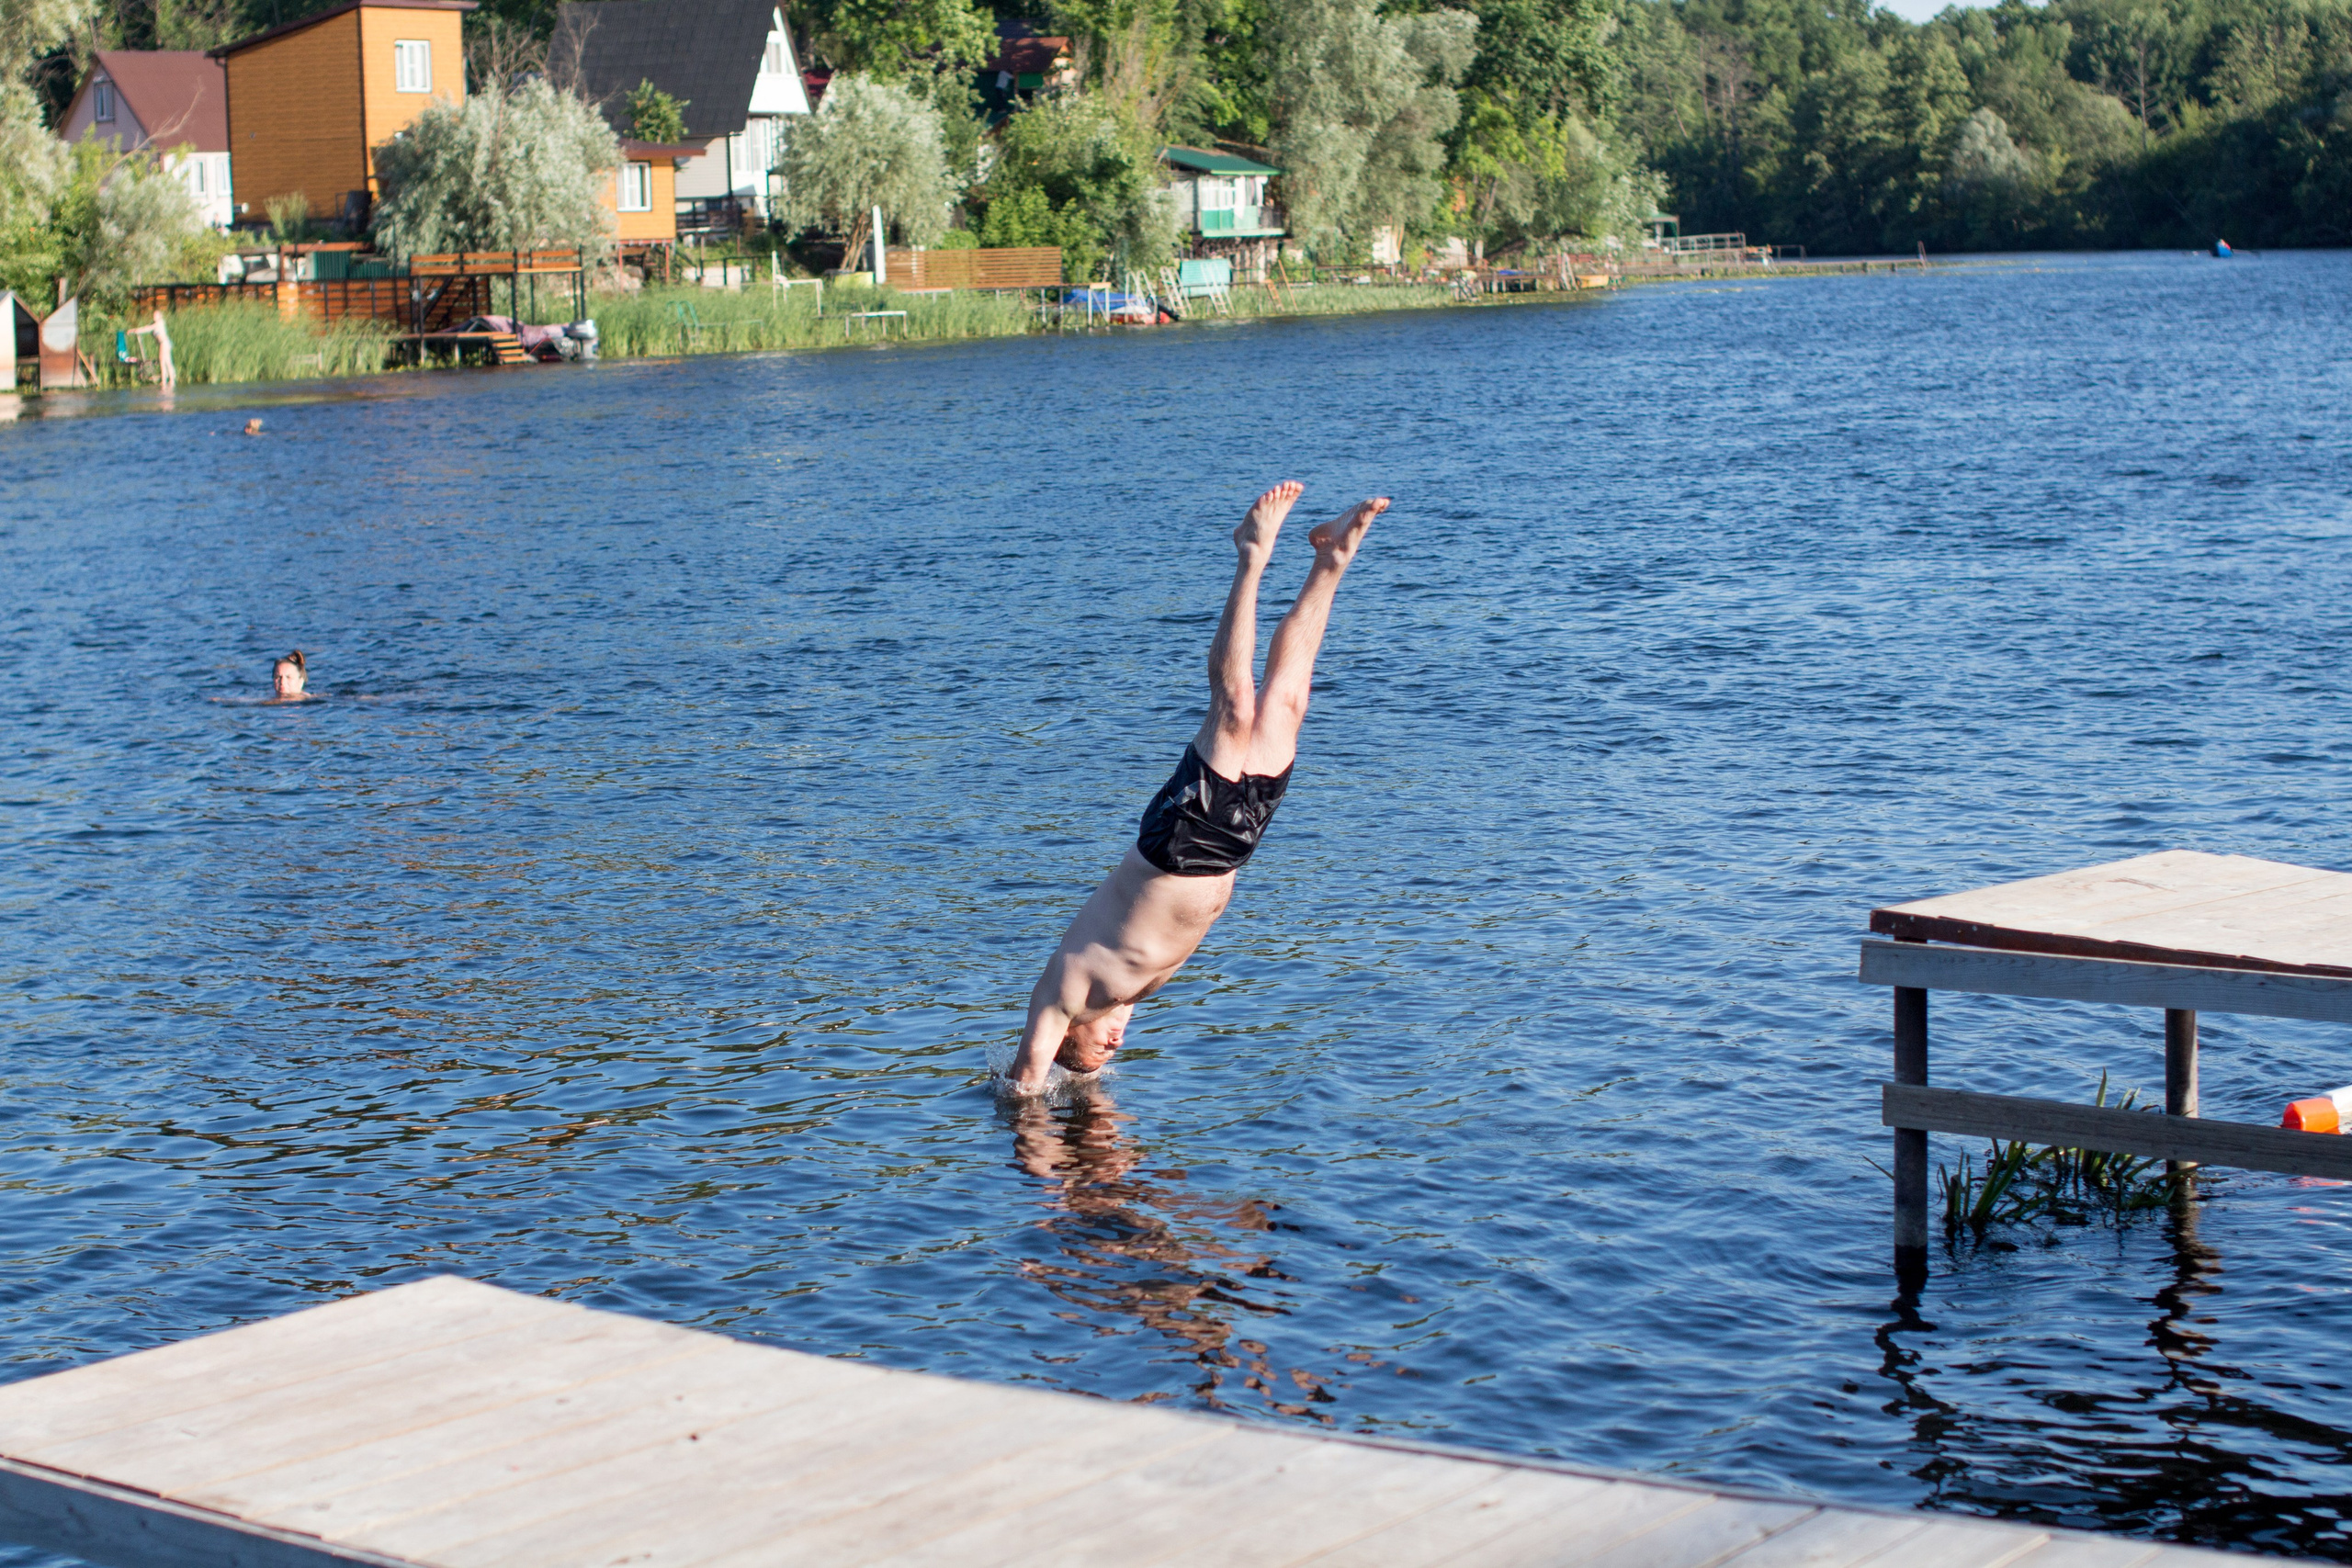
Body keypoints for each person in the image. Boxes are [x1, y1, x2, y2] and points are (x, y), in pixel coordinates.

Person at [1004, 481, 1387, 1096]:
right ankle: (1330, 557)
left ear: (1065, 1036)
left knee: (1234, 708)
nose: (1113, 1043)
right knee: (1287, 703)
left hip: (1177, 844)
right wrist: (1099, 1117)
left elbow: (1023, 1084)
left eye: (1090, 1051)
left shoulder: (1065, 992)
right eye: (1108, 1053)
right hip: (1235, 844)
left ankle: (1251, 553)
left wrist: (1045, 1163)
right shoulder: (1127, 996)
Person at [123, 310, 175, 389]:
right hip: (165, 343)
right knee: (167, 361)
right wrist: (134, 330)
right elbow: (145, 327)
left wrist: (134, 331)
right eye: (153, 315)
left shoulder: (159, 323)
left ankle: (165, 381)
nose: (154, 316)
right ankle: (171, 381)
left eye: (156, 315)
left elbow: (147, 329)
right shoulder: (154, 323)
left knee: (163, 362)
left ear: (160, 316)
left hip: (164, 343)